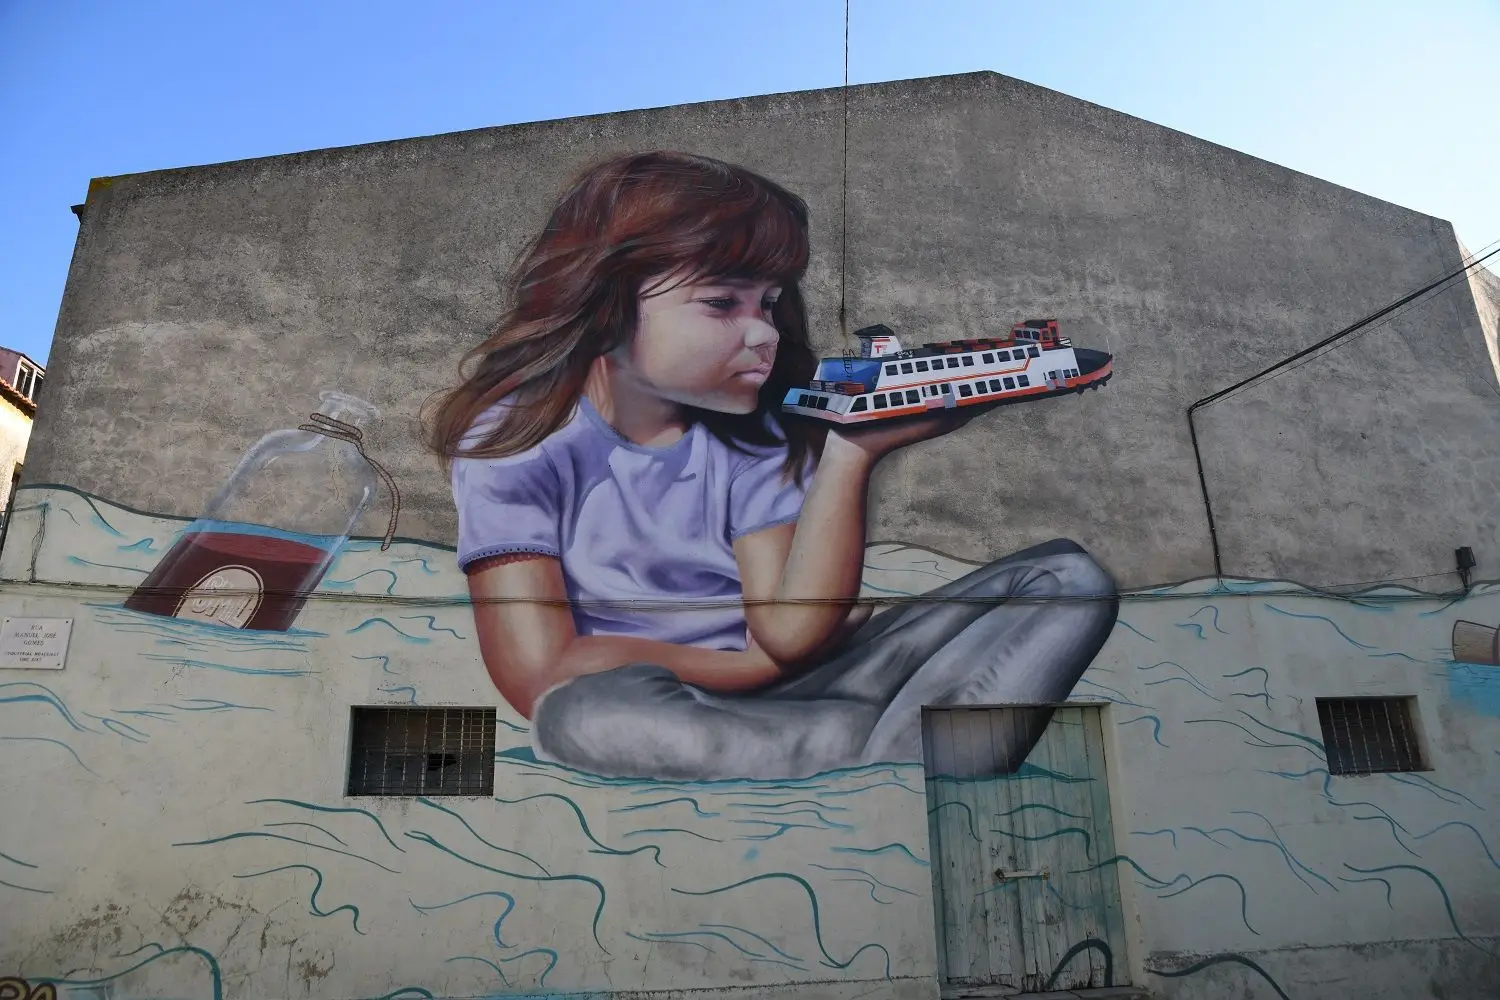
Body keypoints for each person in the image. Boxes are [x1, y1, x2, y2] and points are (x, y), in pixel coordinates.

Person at [427, 150, 1117, 781]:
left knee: (1069, 580)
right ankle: (904, 747)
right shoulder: (516, 439)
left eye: (771, 304)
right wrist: (750, 666)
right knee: (576, 714)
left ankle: (874, 744)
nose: (764, 333)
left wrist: (851, 452)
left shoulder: (750, 433)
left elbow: (791, 632)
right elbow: (538, 674)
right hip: (661, 702)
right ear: (606, 306)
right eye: (722, 303)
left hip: (805, 688)